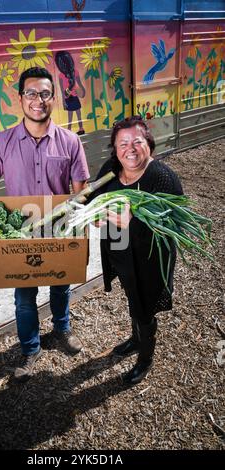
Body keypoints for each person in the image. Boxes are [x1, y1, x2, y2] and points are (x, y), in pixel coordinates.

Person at [0, 67, 90, 381]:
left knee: (61, 286)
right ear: (21, 98)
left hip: (58, 229)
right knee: (24, 296)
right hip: (20, 233)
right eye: (31, 93)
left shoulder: (69, 142)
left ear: (54, 98)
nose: (38, 100)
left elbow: (80, 193)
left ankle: (62, 330)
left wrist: (80, 232)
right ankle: (30, 347)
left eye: (44, 94)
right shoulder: (2, 142)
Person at [90, 116, 183, 386]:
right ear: (115, 148)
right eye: (123, 143)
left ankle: (145, 358)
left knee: (144, 308)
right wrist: (93, 214)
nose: (129, 148)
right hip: (120, 253)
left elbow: (174, 225)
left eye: (137, 141)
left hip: (149, 259)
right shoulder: (111, 168)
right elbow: (94, 198)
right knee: (132, 297)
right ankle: (135, 339)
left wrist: (134, 221)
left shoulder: (162, 178)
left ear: (149, 145)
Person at [55, 51, 85, 135]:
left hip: (74, 96)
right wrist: (64, 101)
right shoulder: (61, 76)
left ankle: (80, 128)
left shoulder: (75, 72)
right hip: (68, 97)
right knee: (70, 114)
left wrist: (81, 91)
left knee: (78, 113)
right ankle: (69, 129)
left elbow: (79, 84)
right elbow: (62, 91)